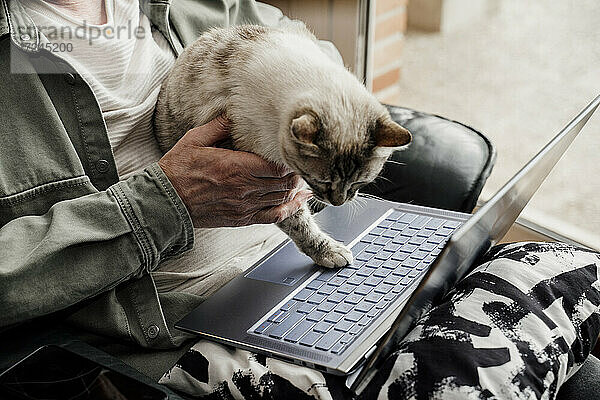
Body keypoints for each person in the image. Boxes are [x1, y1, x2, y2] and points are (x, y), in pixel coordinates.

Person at [1, 1, 598, 399]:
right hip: (201, 329)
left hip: (306, 266)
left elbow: (310, 57)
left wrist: (315, 111)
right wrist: (165, 202)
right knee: (479, 368)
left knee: (570, 270)